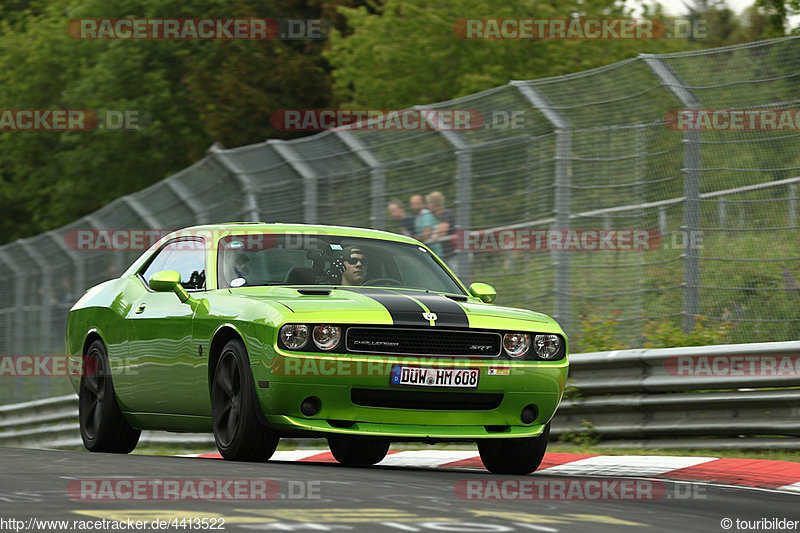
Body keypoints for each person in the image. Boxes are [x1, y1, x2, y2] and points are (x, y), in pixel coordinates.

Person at [427, 191, 455, 258]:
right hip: (449, 254)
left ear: (433, 204)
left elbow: (441, 232)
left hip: (456, 254)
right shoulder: (437, 218)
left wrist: (435, 234)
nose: (427, 206)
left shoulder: (446, 214)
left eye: (428, 203)